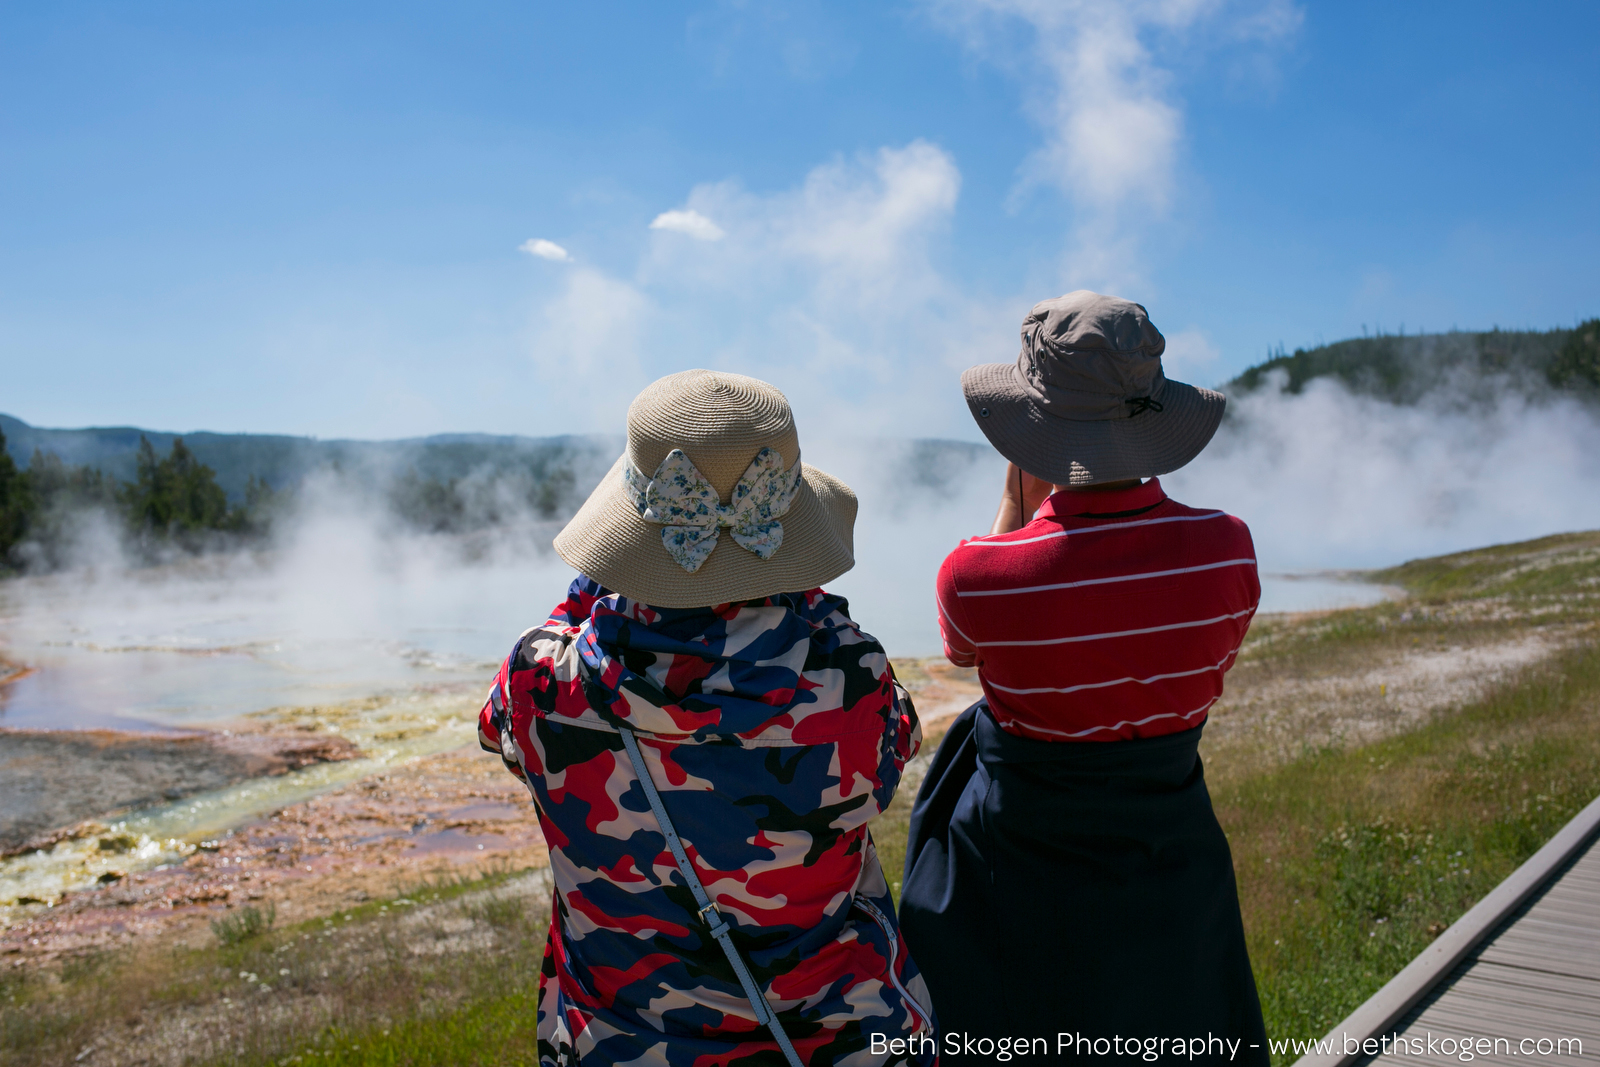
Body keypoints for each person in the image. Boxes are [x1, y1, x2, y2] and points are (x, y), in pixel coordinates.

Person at [479, 369, 936, 1067]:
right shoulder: (852, 679)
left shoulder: (543, 683)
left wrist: (595, 590)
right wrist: (795, 592)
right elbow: (897, 741)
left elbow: (497, 727)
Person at [899, 291, 1269, 1064]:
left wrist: (1014, 504)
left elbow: (963, 655)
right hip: (1171, 849)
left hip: (1018, 860)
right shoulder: (1229, 548)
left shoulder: (976, 573)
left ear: (1033, 434)